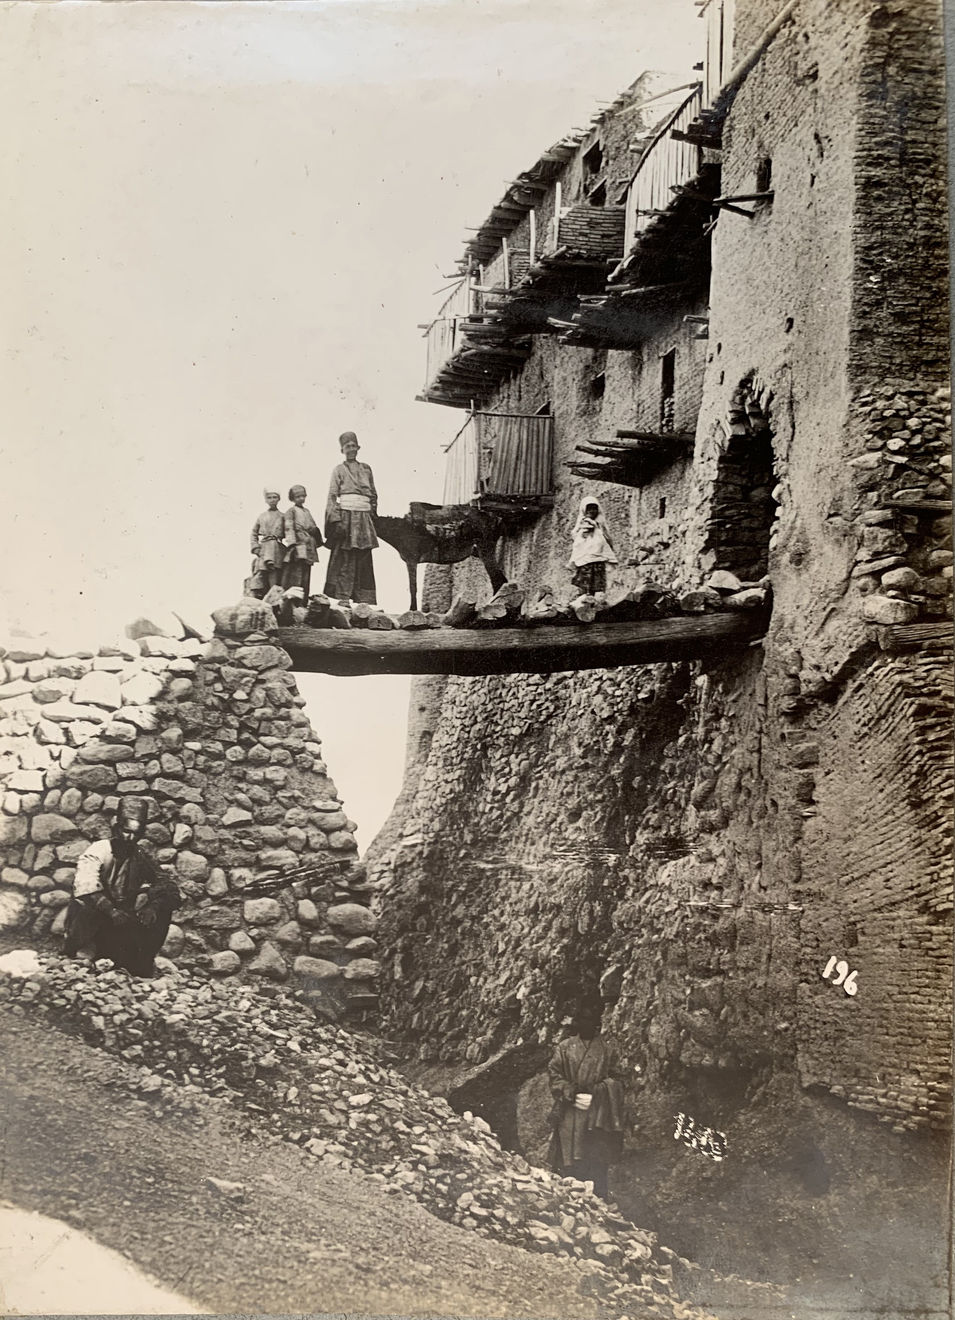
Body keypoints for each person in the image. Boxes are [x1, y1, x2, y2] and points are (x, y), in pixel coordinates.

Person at [64, 799, 181, 977]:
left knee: (163, 909)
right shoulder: (98, 850)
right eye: (126, 832)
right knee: (89, 909)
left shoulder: (139, 855)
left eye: (136, 833)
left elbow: (167, 885)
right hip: (93, 920)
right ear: (117, 829)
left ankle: (139, 965)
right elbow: (86, 885)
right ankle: (82, 954)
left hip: (118, 922)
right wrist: (111, 911)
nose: (130, 838)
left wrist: (153, 907)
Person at [547, 1002, 625, 1201]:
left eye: (590, 1019)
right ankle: (569, 1200)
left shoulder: (607, 1050)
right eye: (582, 1018)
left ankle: (597, 1202)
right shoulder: (565, 1048)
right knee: (568, 1157)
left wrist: (598, 1092)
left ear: (597, 1022)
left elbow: (619, 1079)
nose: (585, 1023)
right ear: (576, 1022)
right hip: (570, 1110)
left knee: (594, 1157)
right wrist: (570, 1091)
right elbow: (555, 1075)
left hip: (596, 1113)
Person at [323, 431, 379, 605]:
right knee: (344, 558)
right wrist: (336, 520)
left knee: (363, 558)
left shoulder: (366, 469)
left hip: (363, 518)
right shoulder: (338, 470)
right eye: (348, 447)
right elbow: (332, 496)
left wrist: (373, 514)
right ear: (342, 450)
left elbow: (374, 494)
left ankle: (363, 601)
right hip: (346, 517)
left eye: (354, 446)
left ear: (358, 447)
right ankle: (343, 598)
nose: (351, 449)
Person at [568, 494, 618, 599]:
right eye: (589, 509)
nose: (592, 511)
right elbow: (578, 540)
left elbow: (607, 539)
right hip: (585, 561)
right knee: (585, 588)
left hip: (598, 560)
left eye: (594, 508)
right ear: (584, 510)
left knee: (599, 588)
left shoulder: (601, 524)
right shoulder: (582, 524)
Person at [282, 484, 323, 597]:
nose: (301, 499)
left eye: (303, 496)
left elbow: (313, 526)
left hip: (309, 543)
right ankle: (294, 598)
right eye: (298, 497)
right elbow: (289, 527)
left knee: (306, 573)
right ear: (293, 498)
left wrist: (316, 536)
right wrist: (292, 543)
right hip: (298, 544)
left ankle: (304, 599)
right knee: (297, 572)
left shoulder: (307, 511)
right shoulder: (291, 511)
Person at [249, 488, 286, 598]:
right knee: (260, 575)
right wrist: (255, 547)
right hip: (264, 549)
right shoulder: (262, 516)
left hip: (277, 549)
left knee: (274, 576)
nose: (272, 500)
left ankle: (273, 601)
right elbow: (253, 533)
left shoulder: (283, 516)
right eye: (269, 498)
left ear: (279, 499)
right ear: (266, 500)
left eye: (275, 497)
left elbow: (289, 532)